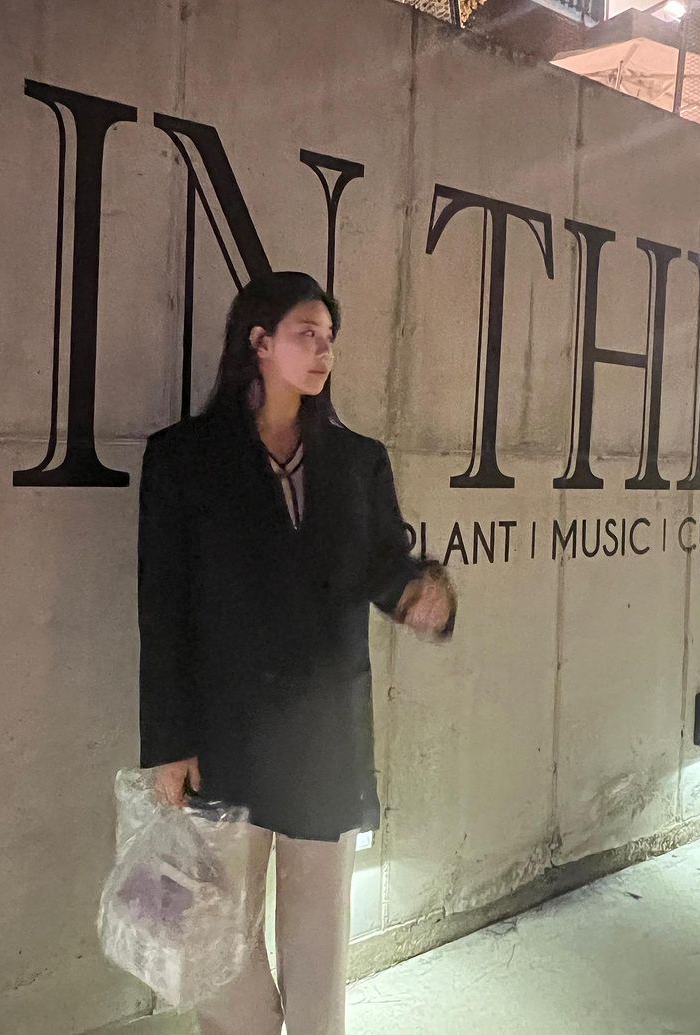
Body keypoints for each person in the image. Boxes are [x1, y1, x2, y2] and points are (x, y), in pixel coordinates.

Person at [137, 271, 457, 1035]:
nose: (323, 352)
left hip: (323, 730)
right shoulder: (184, 458)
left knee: (319, 938)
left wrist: (419, 594)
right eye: (306, 334)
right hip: (226, 729)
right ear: (259, 341)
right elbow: (163, 605)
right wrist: (169, 741)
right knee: (216, 931)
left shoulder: (356, 460)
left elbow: (385, 565)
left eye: (329, 338)